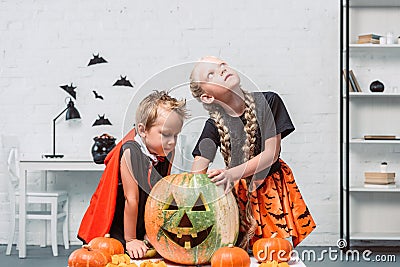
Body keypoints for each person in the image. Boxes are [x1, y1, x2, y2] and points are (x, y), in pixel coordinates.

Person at [189, 56, 316, 249]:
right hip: (238, 197)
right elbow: (197, 172)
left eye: (221, 65)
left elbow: (270, 154)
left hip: (271, 190)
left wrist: (230, 173)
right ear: (207, 97)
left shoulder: (268, 101)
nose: (222, 70)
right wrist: (207, 186)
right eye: (211, 74)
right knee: (238, 254)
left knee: (272, 251)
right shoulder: (213, 125)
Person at [78, 90, 189, 259]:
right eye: (166, 134)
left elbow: (159, 194)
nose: (172, 141)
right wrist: (130, 240)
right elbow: (131, 200)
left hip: (142, 218)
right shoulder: (131, 152)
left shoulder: (166, 150)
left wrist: (151, 231)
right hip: (120, 225)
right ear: (143, 130)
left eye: (176, 135)